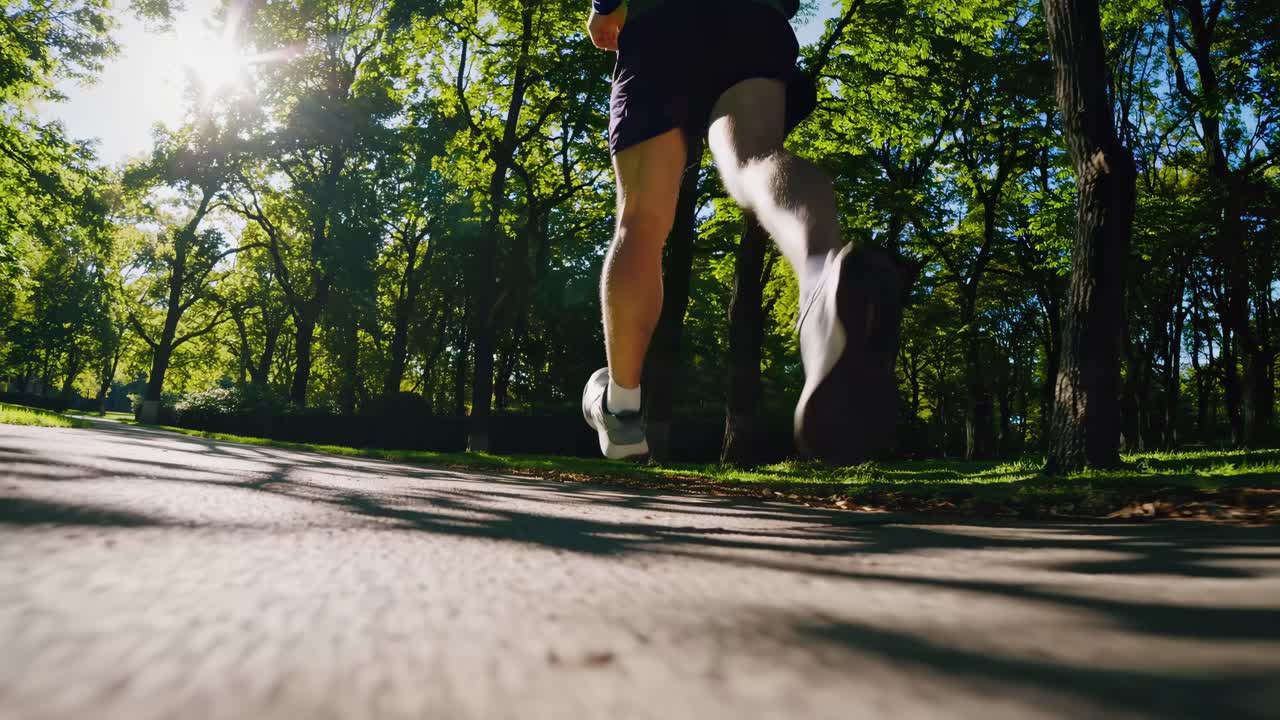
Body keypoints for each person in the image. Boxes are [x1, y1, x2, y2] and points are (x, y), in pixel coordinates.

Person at [581, 0, 904, 464]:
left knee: (642, 219)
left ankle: (622, 410)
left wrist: (604, 6)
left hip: (660, 23)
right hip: (753, 16)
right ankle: (822, 277)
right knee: (755, 158)